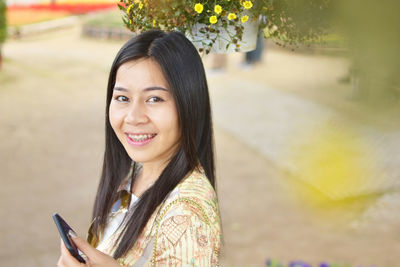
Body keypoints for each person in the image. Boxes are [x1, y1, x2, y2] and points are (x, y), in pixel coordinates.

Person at [57, 30, 221, 266]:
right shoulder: (135, 172)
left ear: (189, 104)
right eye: (123, 98)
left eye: (154, 99)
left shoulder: (187, 212)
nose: (133, 117)